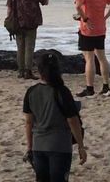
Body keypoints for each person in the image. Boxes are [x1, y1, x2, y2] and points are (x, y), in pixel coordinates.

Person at [23, 52, 87, 182]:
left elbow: (29, 123)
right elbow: (73, 121)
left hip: (38, 145)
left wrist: (30, 147)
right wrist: (81, 146)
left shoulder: (31, 92)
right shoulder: (62, 91)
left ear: (39, 70)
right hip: (60, 146)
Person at [6, 0, 49, 79]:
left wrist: (9, 19)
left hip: (18, 23)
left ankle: (20, 71)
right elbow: (45, 2)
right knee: (29, 47)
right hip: (31, 23)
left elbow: (9, 7)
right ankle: (28, 71)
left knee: (20, 47)